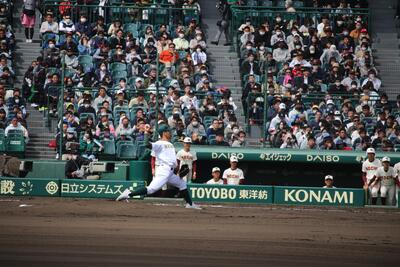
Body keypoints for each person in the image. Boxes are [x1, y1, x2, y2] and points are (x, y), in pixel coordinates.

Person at [116, 125, 201, 209]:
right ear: (164, 133)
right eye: (168, 131)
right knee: (151, 189)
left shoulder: (170, 144)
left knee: (182, 184)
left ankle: (190, 204)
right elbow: (146, 144)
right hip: (164, 170)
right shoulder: (159, 143)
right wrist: (146, 132)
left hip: (170, 172)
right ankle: (128, 194)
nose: (170, 133)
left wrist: (177, 169)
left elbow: (172, 160)